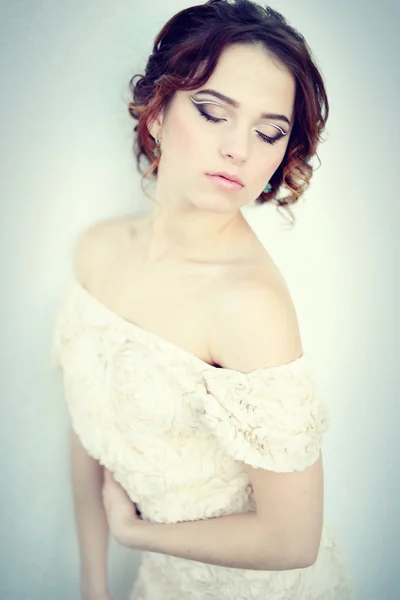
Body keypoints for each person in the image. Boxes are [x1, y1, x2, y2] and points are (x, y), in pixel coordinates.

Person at [51, 1, 355, 599]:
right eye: (214, 112)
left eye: (270, 132)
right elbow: (86, 418)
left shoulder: (249, 306)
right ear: (157, 112)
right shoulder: (96, 249)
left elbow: (292, 539)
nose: (239, 150)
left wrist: (135, 536)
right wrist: (93, 580)